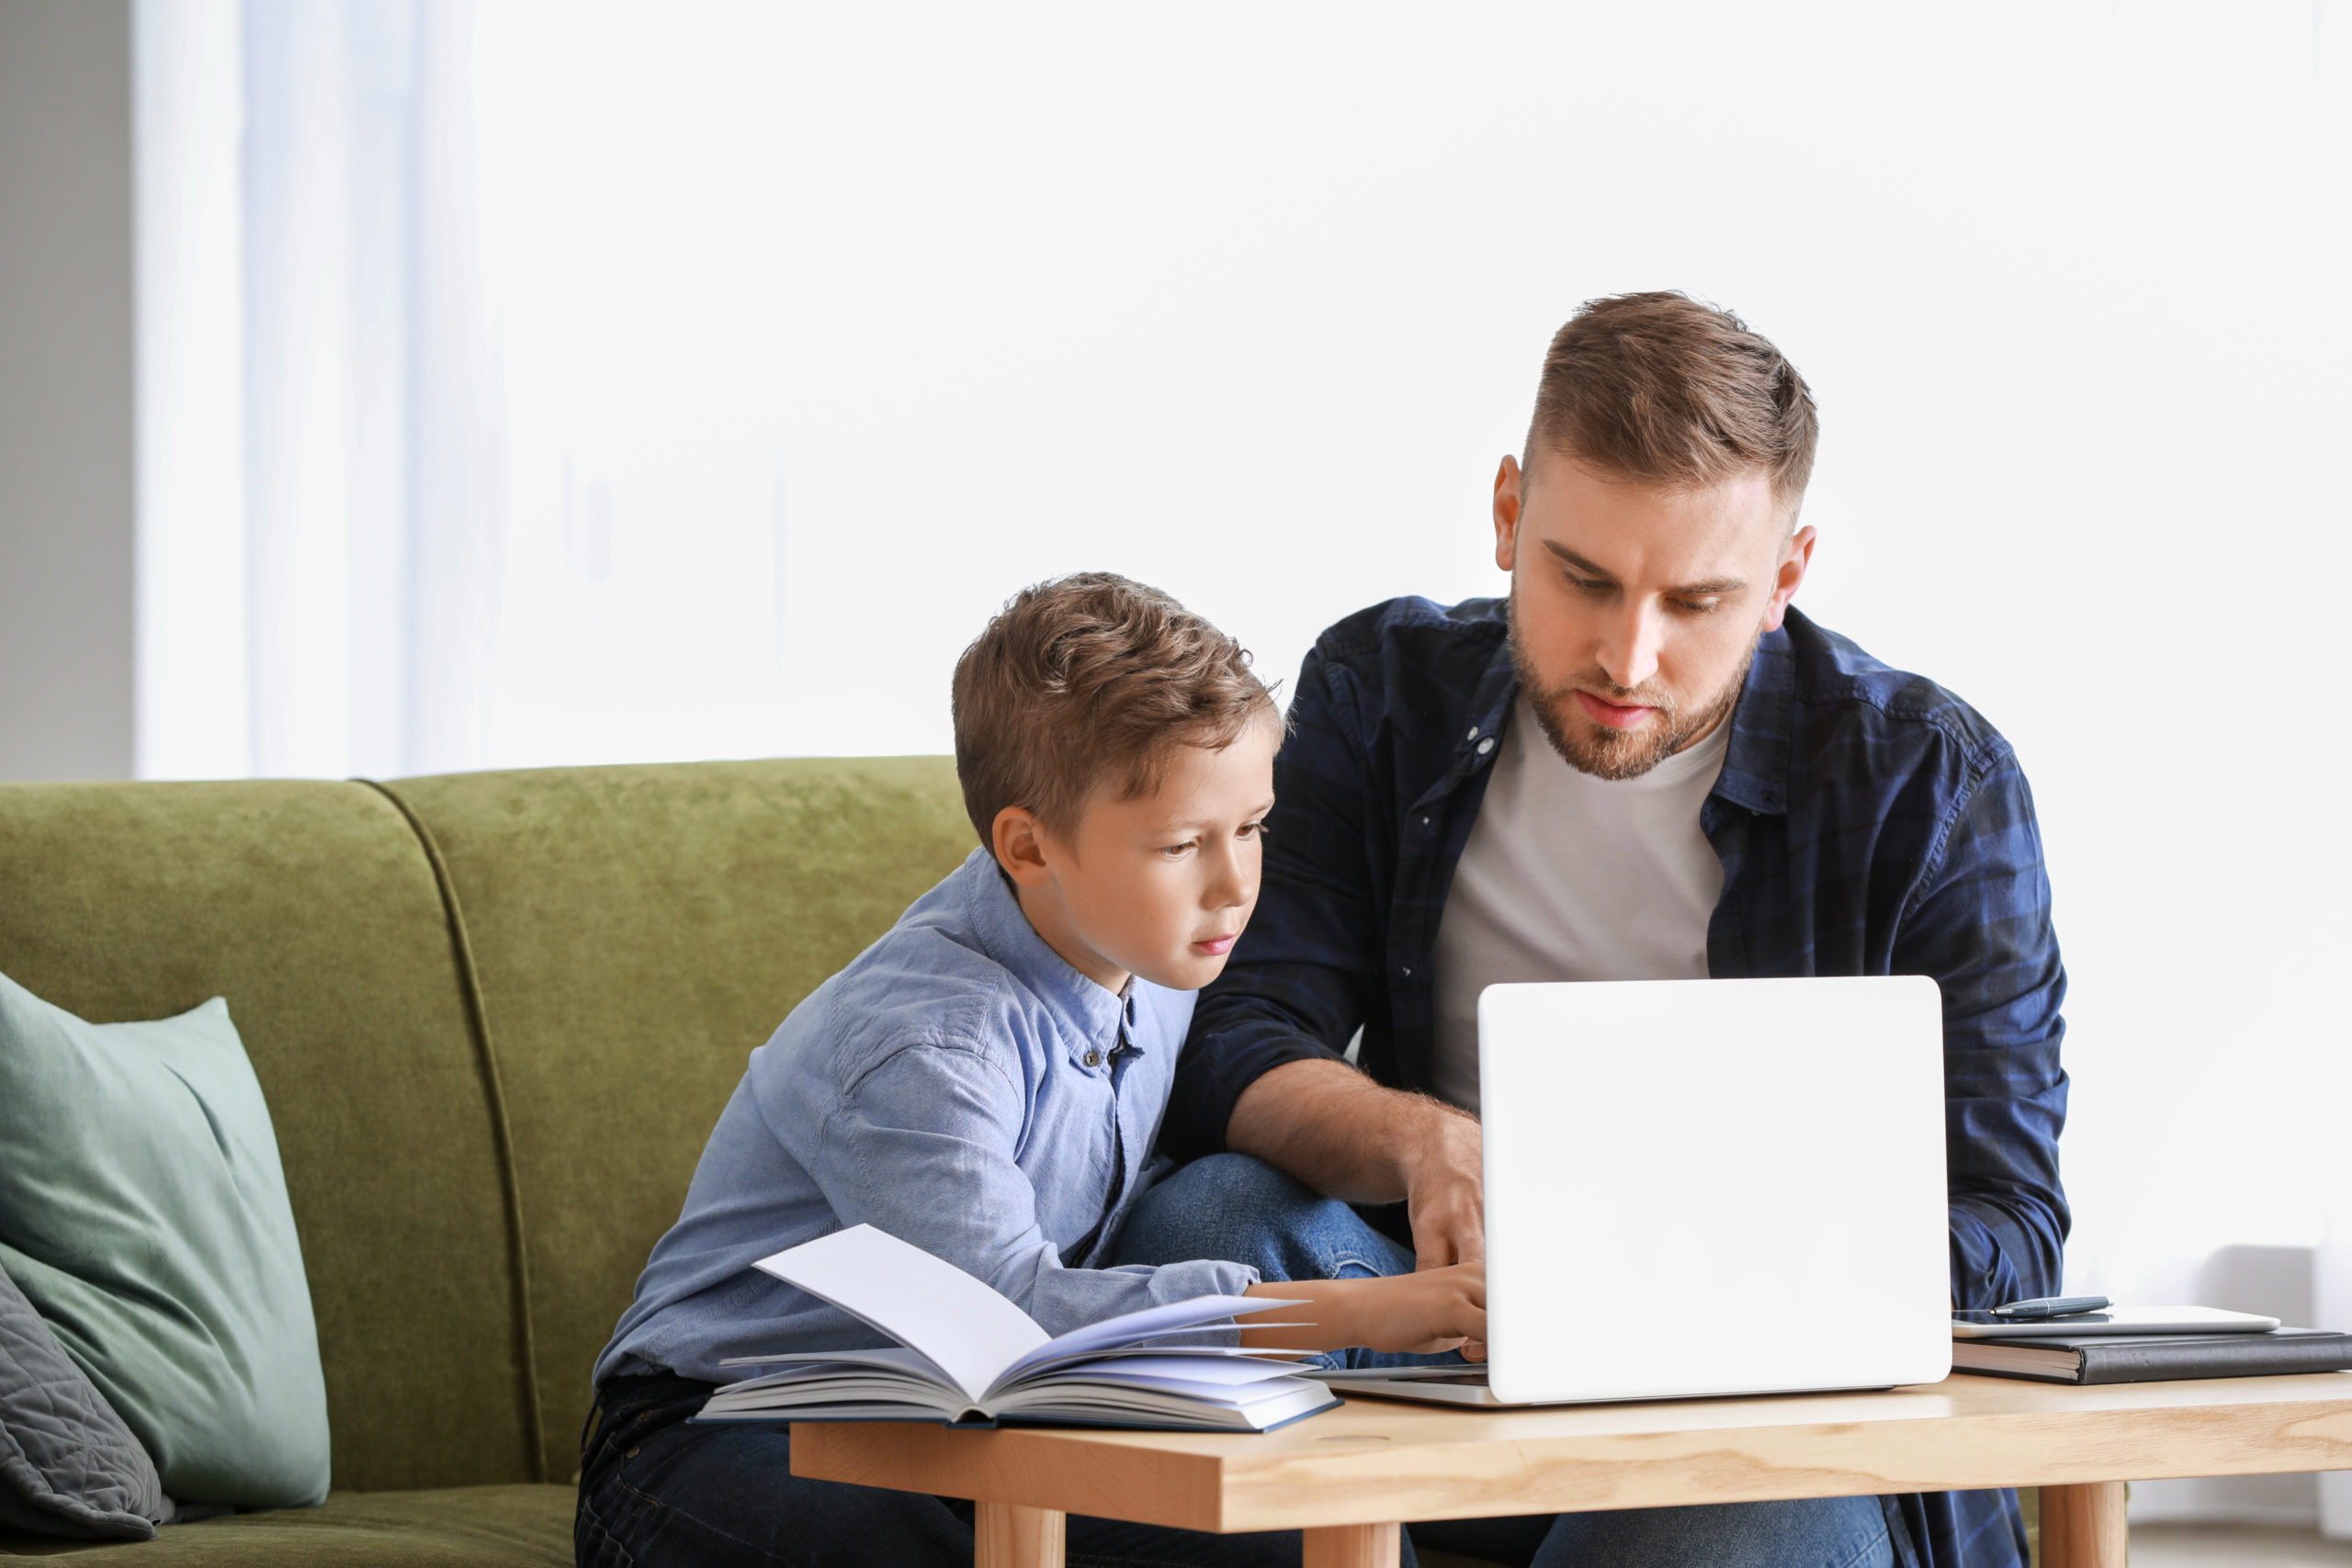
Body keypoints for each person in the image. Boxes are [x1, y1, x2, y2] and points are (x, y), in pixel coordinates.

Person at [1119, 293, 2069, 1568]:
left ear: (1784, 577)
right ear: (1509, 513)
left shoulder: (1929, 782)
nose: (1630, 656)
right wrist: (1424, 1140)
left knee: (1757, 1522)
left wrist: (1726, 1281)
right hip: (1441, 1321)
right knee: (1211, 1224)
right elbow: (1239, 1030)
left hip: (1754, 1397)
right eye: (1583, 579)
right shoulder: (1381, 688)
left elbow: (2011, 1216)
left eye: (1698, 602)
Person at [575, 573, 1487, 1568]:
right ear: (1028, 846)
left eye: (1253, 826)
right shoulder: (927, 1045)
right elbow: (1008, 1317)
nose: (1235, 886)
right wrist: (1356, 1312)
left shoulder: (1156, 952)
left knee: (1291, 1542)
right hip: (721, 1426)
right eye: (1183, 845)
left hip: (973, 1422)